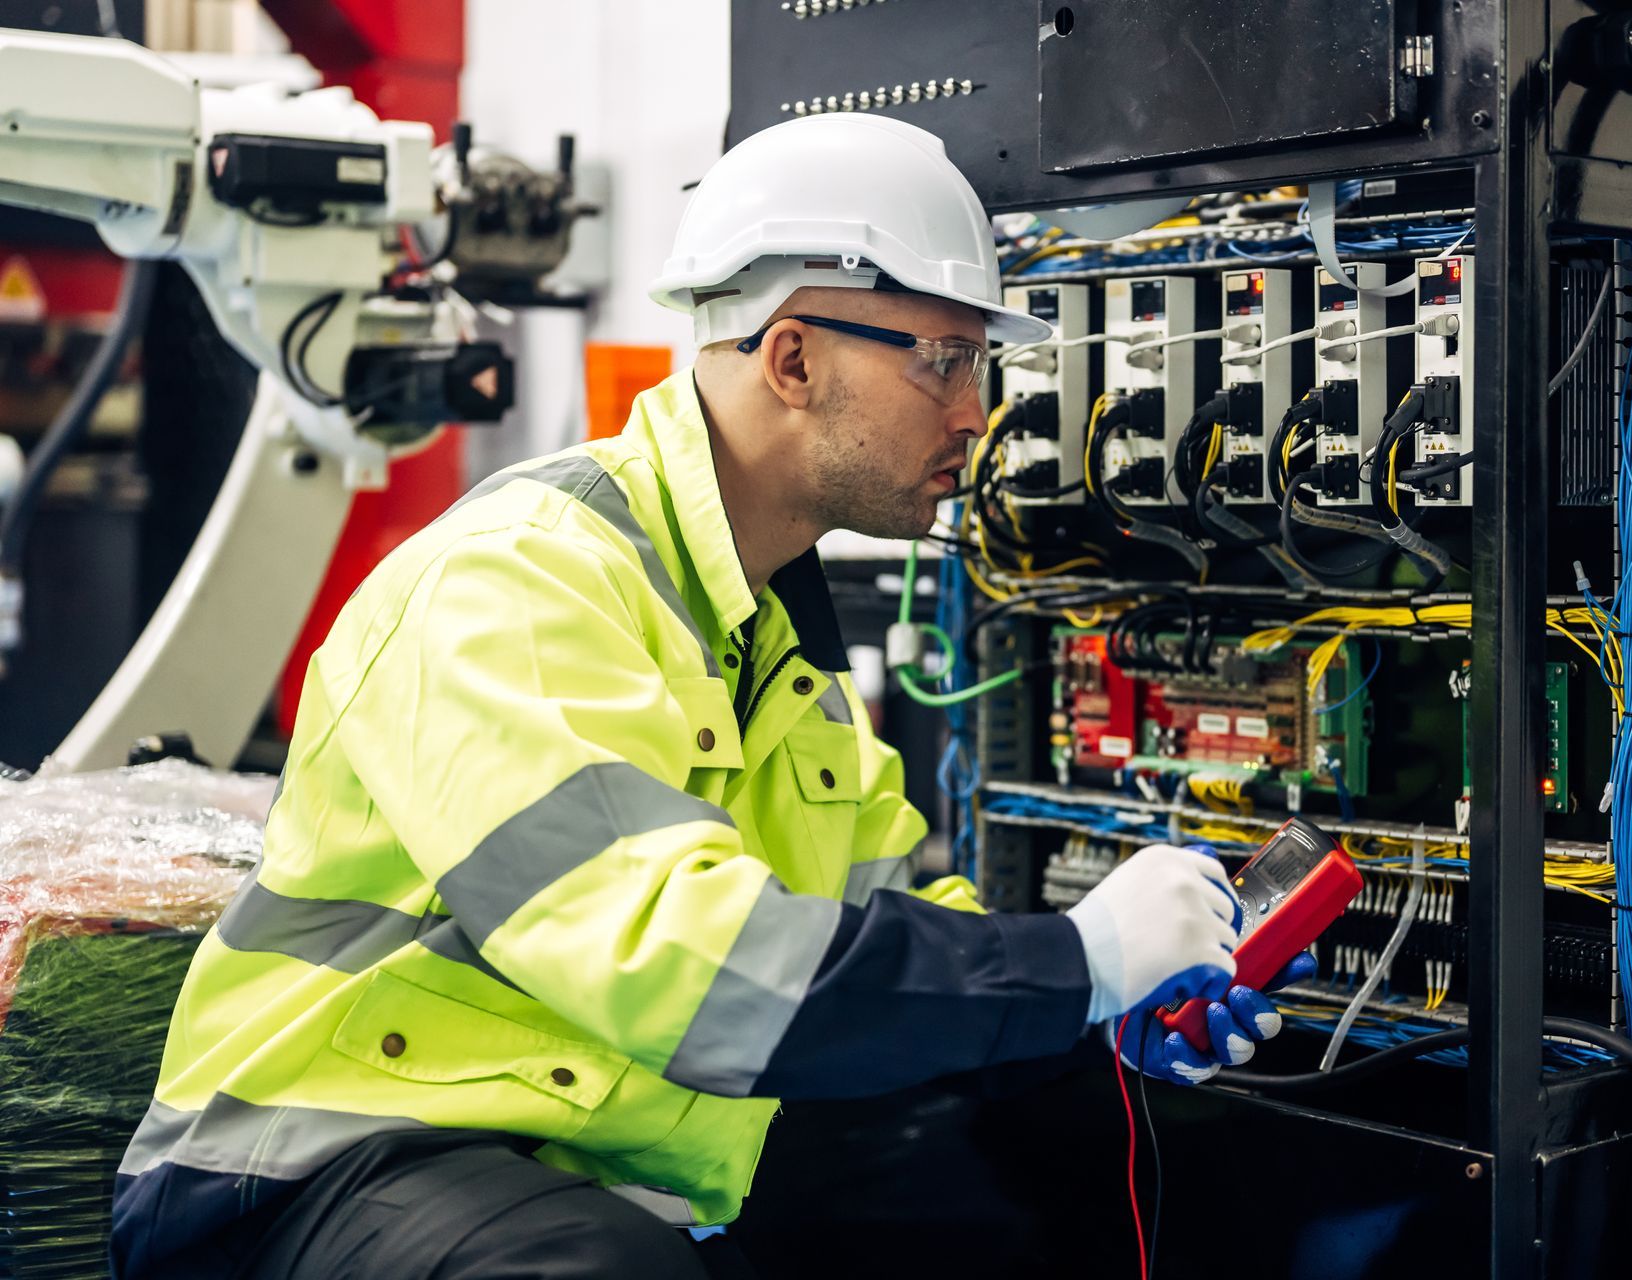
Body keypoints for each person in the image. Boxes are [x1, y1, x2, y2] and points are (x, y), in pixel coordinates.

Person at [111, 114, 1309, 1280]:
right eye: (943, 359)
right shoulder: (521, 579)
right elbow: (672, 958)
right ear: (792, 359)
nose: (974, 412)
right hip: (311, 1167)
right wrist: (1071, 961)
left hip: (584, 1162)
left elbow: (866, 928)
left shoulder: (773, 645)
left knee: (993, 1197)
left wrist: (1105, 1010)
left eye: (978, 365)